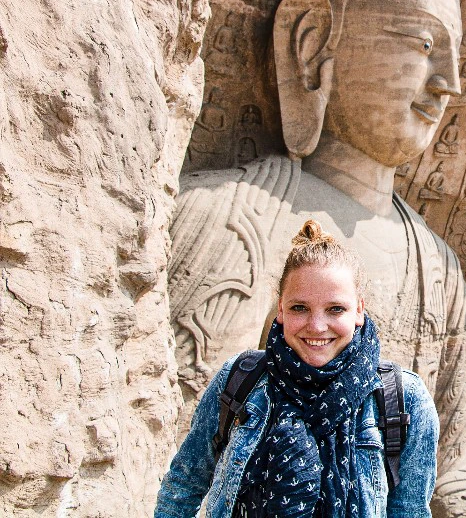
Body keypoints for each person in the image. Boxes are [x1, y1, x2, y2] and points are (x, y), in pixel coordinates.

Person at [168, 0, 466, 515]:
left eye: (457, 58)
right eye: (424, 45)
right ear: (312, 40)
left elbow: (446, 466)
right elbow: (172, 430)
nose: (449, 85)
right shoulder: (220, 215)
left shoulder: (438, 266)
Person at [156, 220, 439, 517]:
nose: (317, 326)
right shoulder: (240, 380)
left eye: (335, 309)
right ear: (280, 309)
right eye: (299, 308)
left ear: (359, 310)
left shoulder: (403, 398)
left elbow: (410, 510)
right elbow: (184, 484)